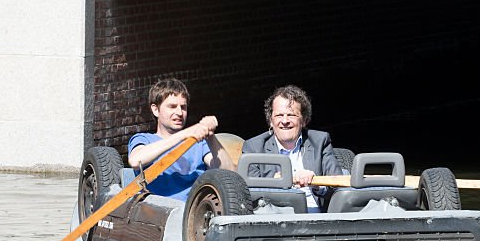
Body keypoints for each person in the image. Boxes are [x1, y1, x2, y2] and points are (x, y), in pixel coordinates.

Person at [127, 77, 233, 201]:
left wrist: (210, 136)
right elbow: (135, 161)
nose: (179, 112)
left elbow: (229, 175)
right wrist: (184, 135)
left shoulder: (199, 143)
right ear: (155, 110)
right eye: (172, 106)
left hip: (197, 210)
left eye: (183, 107)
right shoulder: (144, 139)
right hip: (159, 212)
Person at [242, 85, 342, 213]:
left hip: (317, 217)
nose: (285, 121)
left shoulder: (320, 141)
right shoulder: (253, 147)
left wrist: (317, 183)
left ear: (304, 120)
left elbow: (338, 184)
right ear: (271, 121)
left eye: (291, 115)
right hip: (276, 219)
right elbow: (248, 195)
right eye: (279, 115)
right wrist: (274, 183)